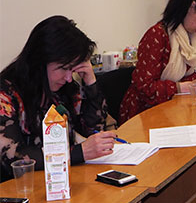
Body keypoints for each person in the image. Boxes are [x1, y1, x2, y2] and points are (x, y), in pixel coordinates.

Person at [0, 16, 115, 180]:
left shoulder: (63, 88)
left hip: (59, 180)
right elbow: (12, 158)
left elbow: (93, 130)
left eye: (73, 69)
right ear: (40, 62)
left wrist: (90, 81)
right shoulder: (5, 94)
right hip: (18, 187)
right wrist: (78, 152)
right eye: (63, 68)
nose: (68, 78)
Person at [119, 0, 196, 123]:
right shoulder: (157, 35)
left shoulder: (195, 39)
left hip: (180, 110)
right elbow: (144, 88)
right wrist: (180, 87)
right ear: (191, 7)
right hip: (145, 115)